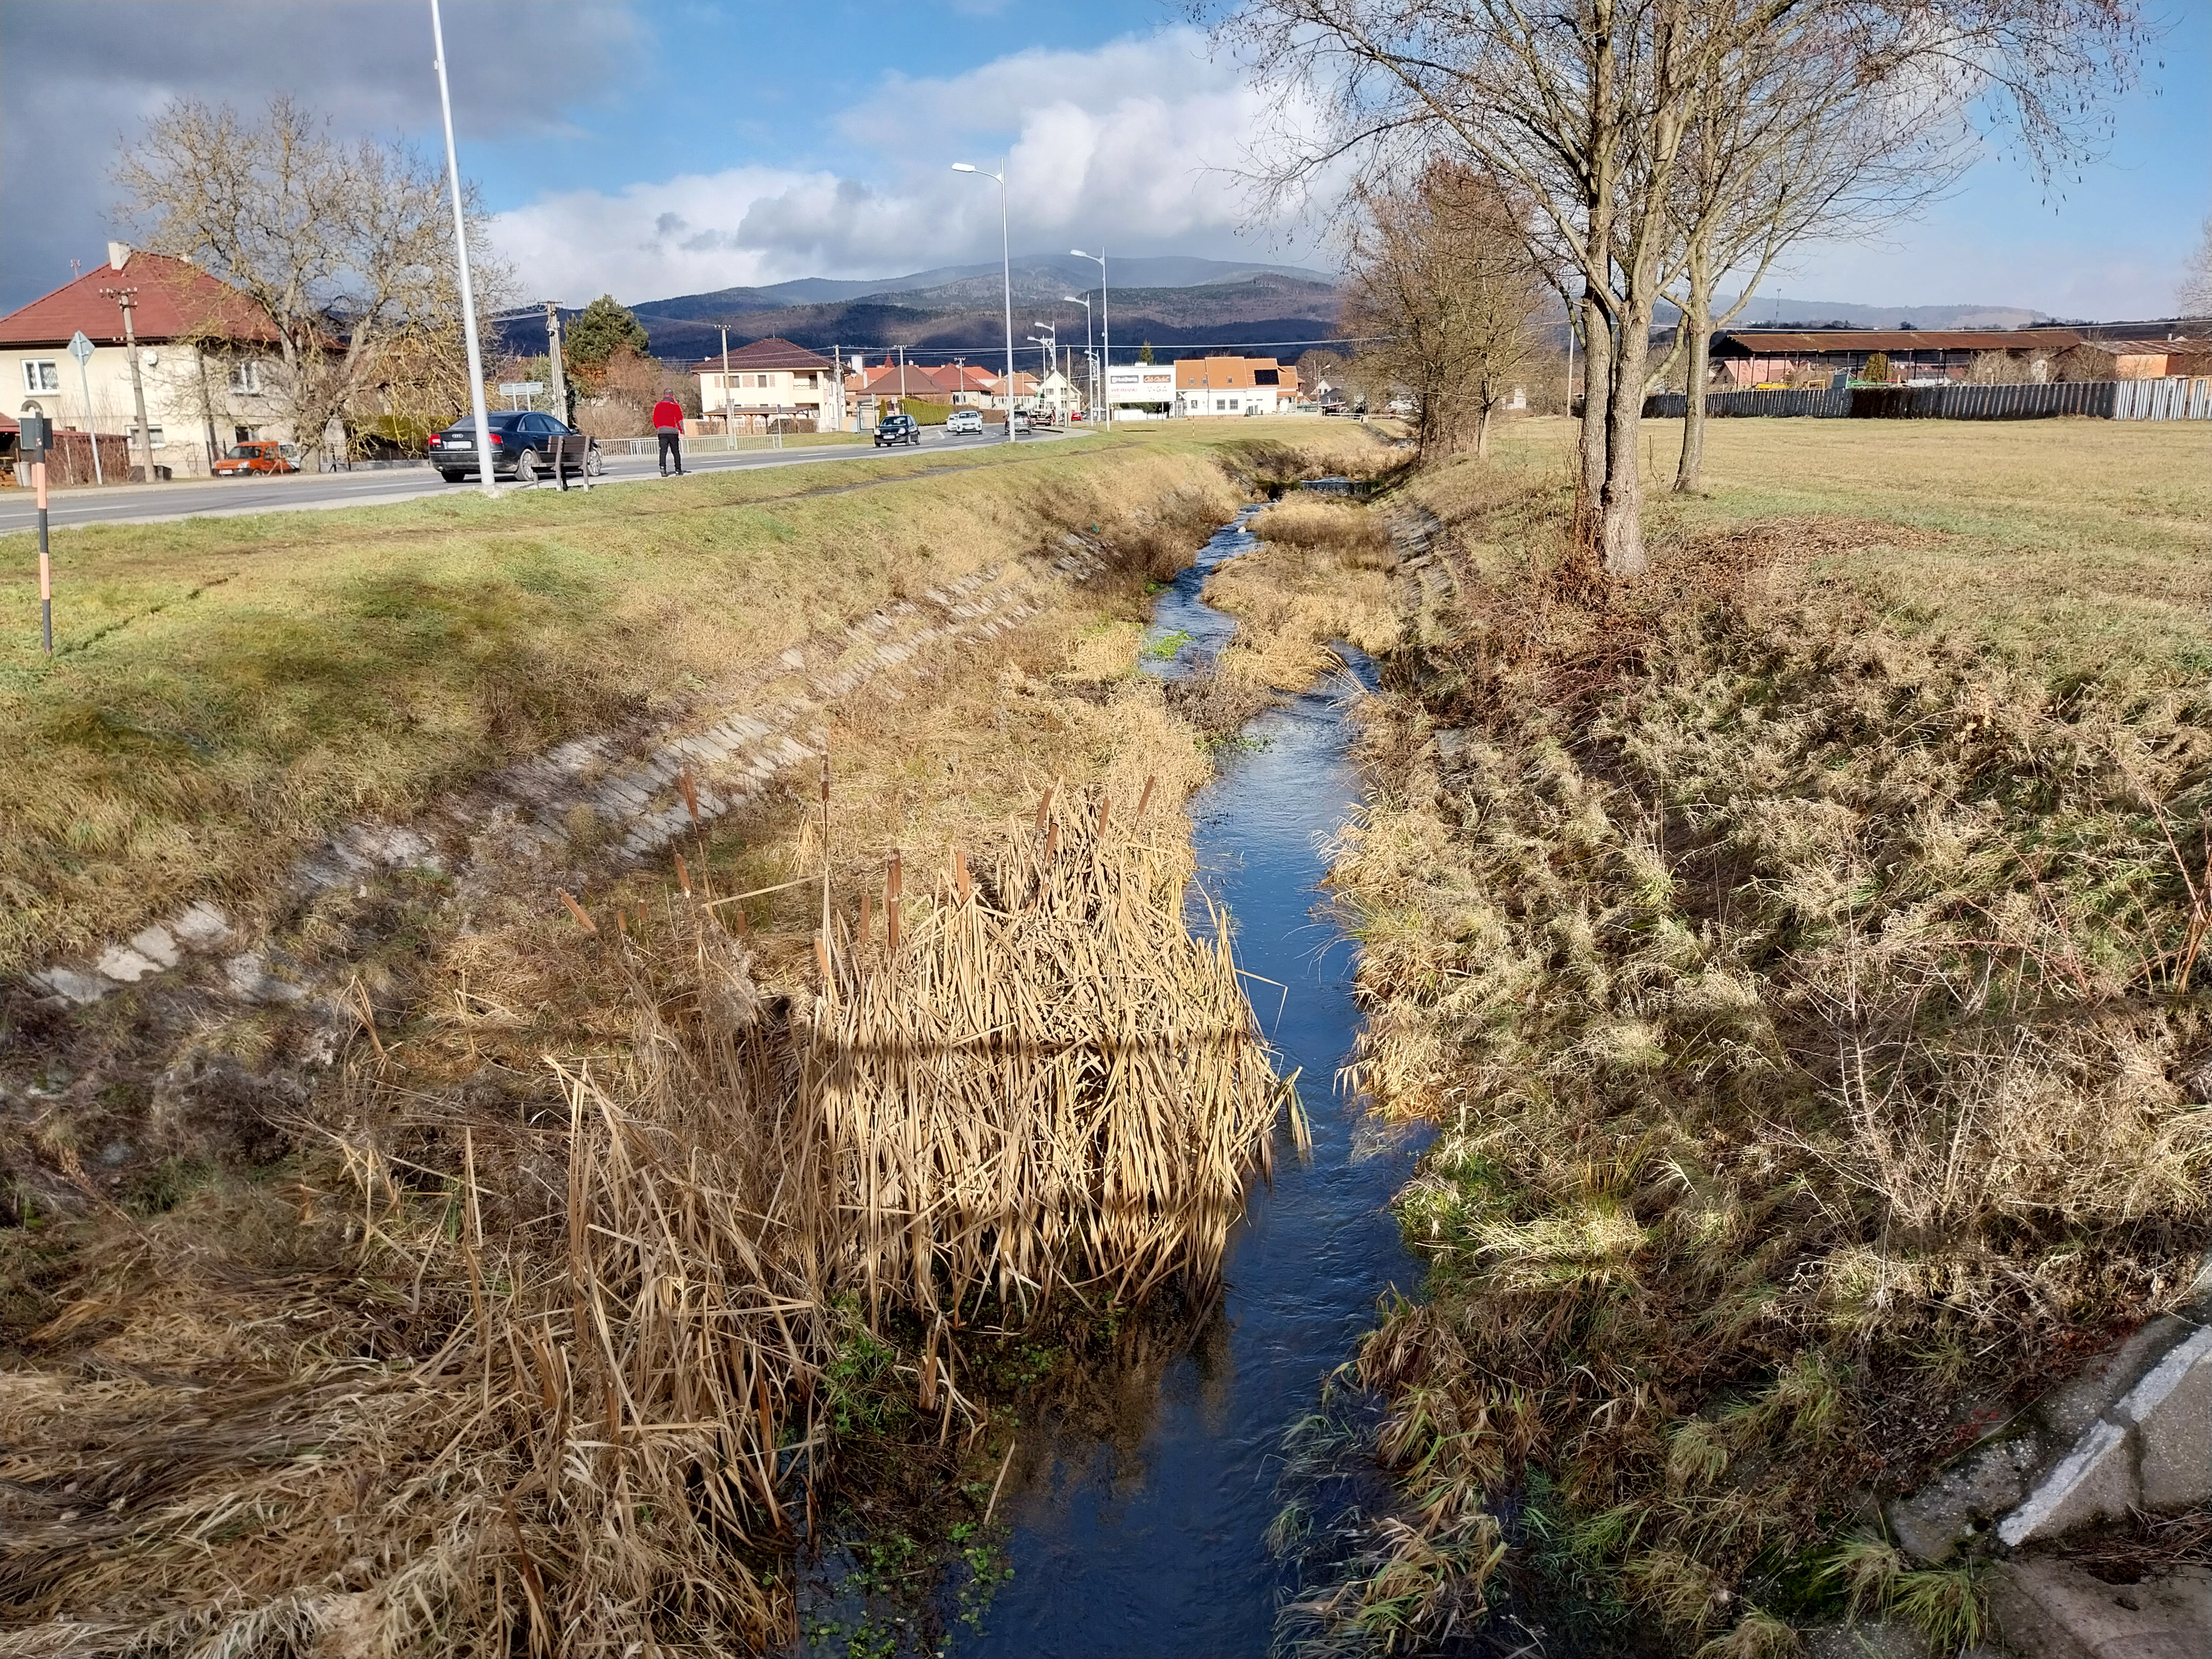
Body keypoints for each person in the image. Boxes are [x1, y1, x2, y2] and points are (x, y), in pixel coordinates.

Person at [652, 395, 685, 476]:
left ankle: (663, 468)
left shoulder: (658, 406)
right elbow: (679, 419)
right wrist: (682, 431)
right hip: (673, 431)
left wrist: (659, 428)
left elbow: (655, 419)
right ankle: (678, 470)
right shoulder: (675, 406)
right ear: (672, 396)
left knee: (663, 451)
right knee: (676, 452)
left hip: (662, 431)